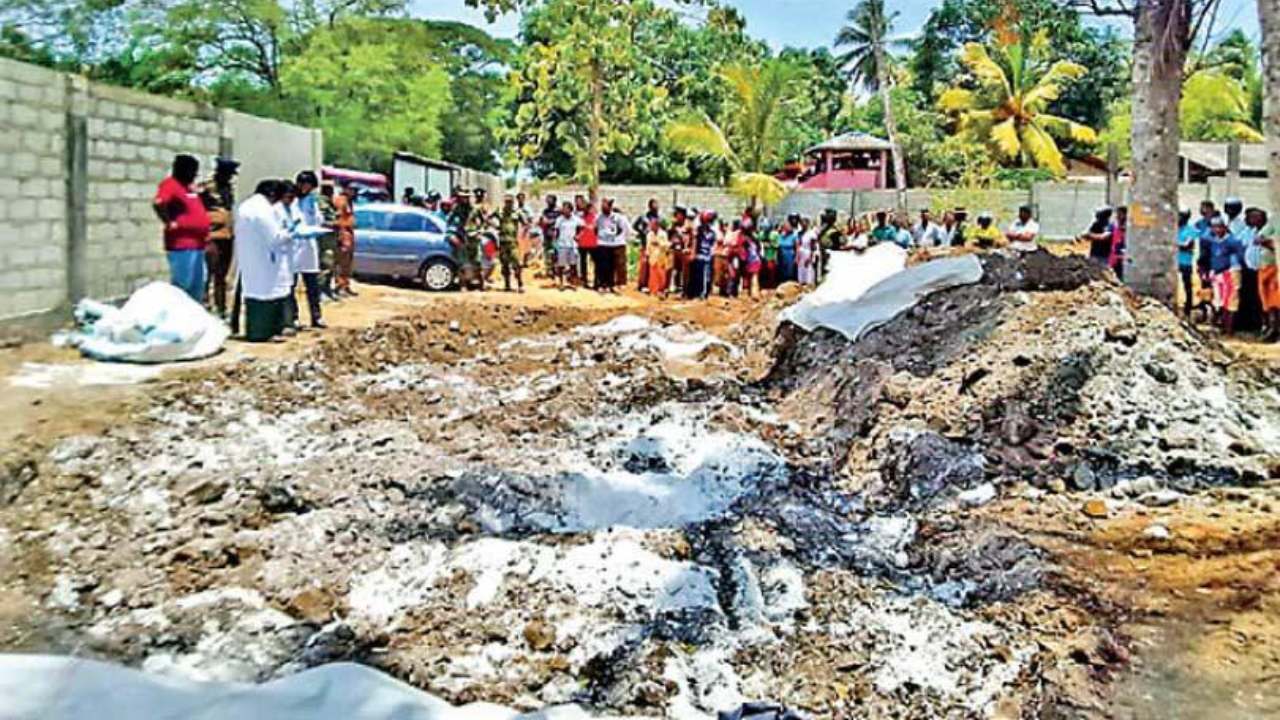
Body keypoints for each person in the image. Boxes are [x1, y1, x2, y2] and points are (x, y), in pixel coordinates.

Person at [234, 180, 294, 342]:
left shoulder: (248, 206)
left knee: (257, 294)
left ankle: (260, 332)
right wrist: (292, 234)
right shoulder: (262, 210)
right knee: (266, 296)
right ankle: (262, 334)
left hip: (253, 259)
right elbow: (275, 238)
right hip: (264, 260)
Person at [153, 154, 211, 303]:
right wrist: (169, 222)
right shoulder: (170, 184)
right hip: (182, 245)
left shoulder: (188, 188)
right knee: (182, 285)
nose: (194, 175)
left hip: (198, 245)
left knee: (198, 285)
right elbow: (159, 202)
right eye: (192, 171)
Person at [200, 157, 239, 318]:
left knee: (222, 275)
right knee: (208, 274)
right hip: (212, 236)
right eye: (228, 174)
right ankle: (204, 306)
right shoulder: (207, 188)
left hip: (227, 236)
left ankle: (221, 308)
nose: (230, 177)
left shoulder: (228, 188)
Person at [293, 171, 326, 329]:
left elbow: (318, 220)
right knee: (290, 285)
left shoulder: (312, 201)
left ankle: (316, 316)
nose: (307, 188)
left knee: (312, 285)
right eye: (304, 185)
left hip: (309, 246)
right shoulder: (291, 200)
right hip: (293, 245)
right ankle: (292, 317)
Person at [1206, 215, 1245, 336]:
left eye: (1219, 227)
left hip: (1231, 272)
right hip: (1218, 274)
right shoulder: (1213, 241)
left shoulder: (1232, 241)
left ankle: (1229, 330)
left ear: (1225, 227)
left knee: (1231, 300)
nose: (1217, 230)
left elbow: (1239, 257)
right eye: (1214, 227)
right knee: (1219, 300)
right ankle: (1222, 326)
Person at [1238, 206, 1266, 333]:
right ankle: (1247, 324)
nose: (1250, 219)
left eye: (1254, 217)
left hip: (1262, 270)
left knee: (1260, 299)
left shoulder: (1266, 232)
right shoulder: (1250, 231)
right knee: (1247, 297)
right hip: (1248, 270)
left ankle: (1259, 324)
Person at [1256, 211, 1280, 341]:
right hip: (1266, 268)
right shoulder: (1275, 219)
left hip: (1275, 267)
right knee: (1269, 301)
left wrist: (1270, 243)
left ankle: (1274, 329)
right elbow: (1259, 238)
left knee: (1276, 300)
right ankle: (1272, 328)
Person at [597, 197, 629, 293]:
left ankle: (619, 284)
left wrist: (620, 239)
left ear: (610, 207)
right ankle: (605, 284)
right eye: (602, 206)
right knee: (605, 266)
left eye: (604, 205)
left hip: (617, 244)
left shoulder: (619, 218)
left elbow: (625, 229)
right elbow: (596, 229)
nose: (602, 208)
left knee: (619, 265)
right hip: (603, 244)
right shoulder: (599, 218)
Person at [332, 183, 357, 297]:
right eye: (352, 190)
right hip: (343, 233)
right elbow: (338, 218)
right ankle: (339, 286)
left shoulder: (350, 202)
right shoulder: (340, 201)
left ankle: (346, 285)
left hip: (349, 233)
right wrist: (341, 236)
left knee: (348, 263)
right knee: (341, 262)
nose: (354, 192)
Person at [687, 211, 716, 300]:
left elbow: (712, 245)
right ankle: (696, 294)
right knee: (697, 276)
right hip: (699, 256)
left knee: (706, 277)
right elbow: (694, 241)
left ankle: (703, 294)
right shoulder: (698, 230)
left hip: (707, 257)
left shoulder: (712, 233)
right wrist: (693, 253)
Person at [552, 201, 581, 290]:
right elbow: (556, 232)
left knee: (573, 265)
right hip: (562, 244)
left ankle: (573, 283)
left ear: (570, 209)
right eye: (563, 208)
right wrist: (555, 244)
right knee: (561, 265)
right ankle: (561, 283)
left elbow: (581, 228)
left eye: (566, 208)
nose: (564, 210)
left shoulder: (576, 219)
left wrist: (578, 235)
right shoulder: (559, 220)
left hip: (572, 245)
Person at [1176, 210, 1200, 320]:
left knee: (1187, 286)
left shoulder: (1192, 230)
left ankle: (1188, 308)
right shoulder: (1174, 229)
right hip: (1175, 261)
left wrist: (1172, 244)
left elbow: (1187, 246)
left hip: (1186, 262)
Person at [498, 195, 524, 293]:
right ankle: (507, 284)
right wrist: (496, 226)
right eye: (507, 202)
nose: (508, 204)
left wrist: (522, 236)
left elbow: (526, 223)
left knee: (517, 263)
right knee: (504, 264)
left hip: (513, 242)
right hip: (502, 242)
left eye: (510, 202)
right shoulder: (500, 212)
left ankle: (520, 284)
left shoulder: (517, 213)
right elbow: (487, 218)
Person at [646, 217, 672, 298]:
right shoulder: (649, 234)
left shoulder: (663, 234)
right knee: (653, 275)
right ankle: (653, 290)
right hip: (653, 256)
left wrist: (659, 243)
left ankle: (661, 290)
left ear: (657, 225)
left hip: (661, 256)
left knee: (661, 275)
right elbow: (648, 245)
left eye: (653, 225)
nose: (651, 226)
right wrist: (647, 253)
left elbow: (667, 245)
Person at [575, 195, 598, 288]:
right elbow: (577, 229)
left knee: (595, 262)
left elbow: (597, 230)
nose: (586, 210)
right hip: (582, 243)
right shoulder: (579, 218)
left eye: (588, 208)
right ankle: (584, 280)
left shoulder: (595, 218)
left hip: (593, 243)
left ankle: (596, 281)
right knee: (583, 263)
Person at [540, 194, 560, 273]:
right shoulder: (545, 211)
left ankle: (557, 269)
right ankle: (549, 269)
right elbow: (543, 221)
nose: (548, 202)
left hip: (556, 235)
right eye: (547, 200)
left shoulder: (559, 211)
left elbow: (559, 221)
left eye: (550, 200)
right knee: (547, 252)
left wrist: (550, 222)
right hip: (547, 234)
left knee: (556, 252)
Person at [777, 217, 799, 284]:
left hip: (789, 253)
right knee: (782, 269)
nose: (787, 227)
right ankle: (782, 282)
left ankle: (789, 283)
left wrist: (796, 257)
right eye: (785, 226)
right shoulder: (781, 235)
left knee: (789, 270)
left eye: (788, 226)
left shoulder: (794, 235)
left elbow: (797, 247)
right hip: (781, 253)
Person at [1109, 206, 1128, 281]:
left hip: (1122, 258)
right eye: (1117, 214)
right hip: (1114, 257)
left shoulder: (1128, 229)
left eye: (1120, 214)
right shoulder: (1114, 227)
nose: (1118, 216)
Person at [797, 218, 818, 286]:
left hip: (808, 252)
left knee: (808, 269)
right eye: (802, 223)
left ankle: (809, 285)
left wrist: (810, 257)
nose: (803, 225)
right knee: (801, 270)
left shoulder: (811, 234)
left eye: (804, 223)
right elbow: (798, 244)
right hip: (801, 253)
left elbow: (813, 247)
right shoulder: (799, 233)